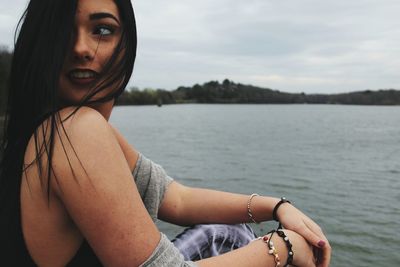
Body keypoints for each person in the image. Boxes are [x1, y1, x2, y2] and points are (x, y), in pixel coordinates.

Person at [0, 0, 331, 266]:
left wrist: (275, 207)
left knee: (227, 230)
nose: (81, 48)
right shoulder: (76, 132)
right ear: (41, 43)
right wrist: (282, 246)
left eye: (102, 29)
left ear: (128, 44)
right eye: (61, 31)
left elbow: (176, 199)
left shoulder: (44, 131)